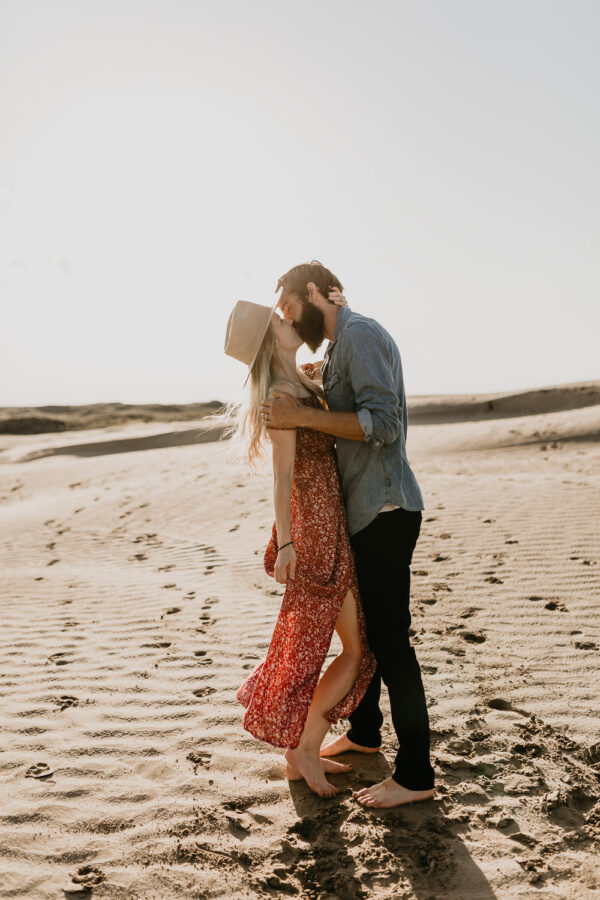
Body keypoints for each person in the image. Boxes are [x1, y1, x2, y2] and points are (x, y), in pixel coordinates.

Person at [261, 260, 436, 809]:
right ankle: (363, 733)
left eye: (289, 304)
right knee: (366, 634)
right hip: (357, 514)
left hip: (384, 508)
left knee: (388, 644)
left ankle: (414, 775)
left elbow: (383, 424)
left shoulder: (358, 336)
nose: (287, 315)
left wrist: (304, 415)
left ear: (314, 292)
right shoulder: (338, 351)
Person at [223, 292, 377, 798]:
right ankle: (303, 748)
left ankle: (303, 749)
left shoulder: (301, 381)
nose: (289, 320)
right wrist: (286, 542)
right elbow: (282, 474)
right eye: (279, 320)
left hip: (328, 522)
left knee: (350, 646)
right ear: (271, 339)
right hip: (312, 529)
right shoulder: (281, 398)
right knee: (354, 650)